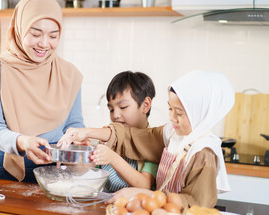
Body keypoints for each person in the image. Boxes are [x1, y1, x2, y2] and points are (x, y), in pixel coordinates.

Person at [58, 70, 234, 209]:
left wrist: (147, 195)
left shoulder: (204, 152)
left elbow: (196, 204)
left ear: (201, 113)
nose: (172, 117)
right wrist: (85, 134)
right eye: (170, 109)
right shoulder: (173, 134)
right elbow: (131, 137)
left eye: (179, 112)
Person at [0, 0, 84, 183]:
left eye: (53, 36)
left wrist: (75, 141)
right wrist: (23, 141)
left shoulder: (70, 74)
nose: (44, 44)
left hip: (57, 173)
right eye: (36, 34)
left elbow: (74, 125)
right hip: (7, 172)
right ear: (20, 29)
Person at [99, 71, 158, 192]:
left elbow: (144, 184)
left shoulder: (153, 143)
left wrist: (112, 158)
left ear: (145, 105)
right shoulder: (110, 136)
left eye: (123, 107)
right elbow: (93, 173)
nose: (115, 115)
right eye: (111, 109)